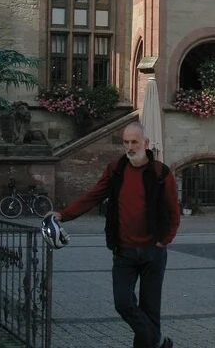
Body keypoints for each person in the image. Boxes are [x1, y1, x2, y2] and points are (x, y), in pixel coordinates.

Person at [51, 122, 181, 348]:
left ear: (146, 143)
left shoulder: (161, 172)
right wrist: (63, 215)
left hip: (153, 250)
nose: (130, 147)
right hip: (124, 251)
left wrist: (164, 240)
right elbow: (93, 196)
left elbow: (173, 211)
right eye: (126, 142)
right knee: (123, 303)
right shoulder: (116, 170)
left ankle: (152, 342)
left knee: (150, 310)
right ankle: (159, 341)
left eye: (134, 142)